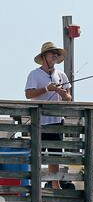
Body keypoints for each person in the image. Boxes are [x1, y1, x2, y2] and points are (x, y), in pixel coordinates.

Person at [25, 42, 72, 190]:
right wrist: (47, 89)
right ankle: (35, 183)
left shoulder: (61, 75)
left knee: (55, 154)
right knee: (37, 153)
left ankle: (54, 184)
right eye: (52, 53)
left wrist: (63, 93)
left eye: (56, 54)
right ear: (44, 56)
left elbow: (69, 98)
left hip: (56, 120)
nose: (55, 56)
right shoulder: (34, 74)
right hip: (39, 120)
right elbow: (28, 94)